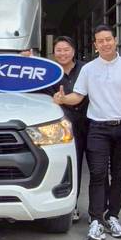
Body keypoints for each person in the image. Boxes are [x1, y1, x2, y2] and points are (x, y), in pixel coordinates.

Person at [54, 24, 121, 240]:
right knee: (97, 173)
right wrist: (63, 99)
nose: (105, 44)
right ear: (95, 45)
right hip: (98, 128)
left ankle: (112, 216)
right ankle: (96, 220)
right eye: (100, 41)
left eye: (108, 39)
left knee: (119, 174)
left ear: (115, 40)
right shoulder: (89, 69)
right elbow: (78, 96)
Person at [44, 36, 89, 222]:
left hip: (90, 123)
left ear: (73, 51)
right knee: (72, 167)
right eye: (59, 50)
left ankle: (98, 210)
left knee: (97, 168)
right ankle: (72, 206)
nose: (62, 53)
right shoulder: (48, 73)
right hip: (64, 127)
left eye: (66, 49)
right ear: (54, 53)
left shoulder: (86, 69)